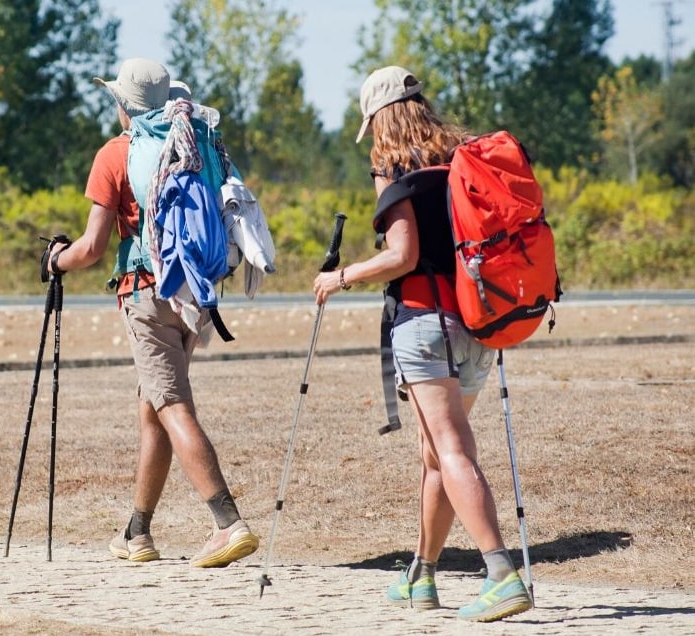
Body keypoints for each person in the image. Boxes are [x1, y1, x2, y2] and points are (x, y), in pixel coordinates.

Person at [313, 66, 533, 622]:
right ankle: (422, 575)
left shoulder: (391, 165)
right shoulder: (463, 155)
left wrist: (341, 277)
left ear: (377, 120)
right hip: (481, 322)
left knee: (452, 449)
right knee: (435, 452)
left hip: (424, 320)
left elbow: (403, 255)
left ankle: (502, 574)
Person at [44, 58, 259, 568]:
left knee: (171, 405)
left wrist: (57, 260)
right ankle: (137, 532)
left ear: (123, 104)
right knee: (153, 409)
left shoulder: (116, 154)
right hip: (195, 292)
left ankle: (228, 523)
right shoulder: (194, 141)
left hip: (145, 292)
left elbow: (93, 246)